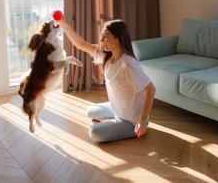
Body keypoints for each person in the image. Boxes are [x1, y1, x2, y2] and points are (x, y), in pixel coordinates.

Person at [56, 13, 156, 143]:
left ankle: (120, 124)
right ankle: (113, 121)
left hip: (131, 120)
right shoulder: (107, 56)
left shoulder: (128, 64)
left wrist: (142, 120)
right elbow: (80, 44)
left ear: (118, 39)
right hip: (118, 109)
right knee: (90, 112)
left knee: (94, 132)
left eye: (105, 37)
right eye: (102, 36)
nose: (102, 40)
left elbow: (151, 89)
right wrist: (64, 25)